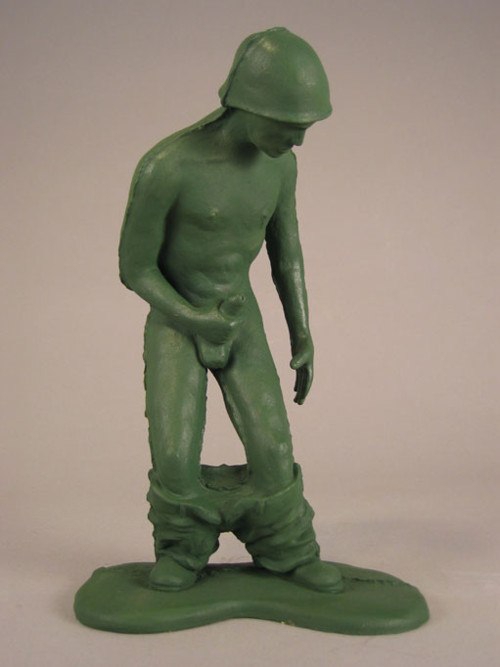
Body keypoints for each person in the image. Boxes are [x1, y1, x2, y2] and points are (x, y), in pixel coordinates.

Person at [119, 27, 342, 593]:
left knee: (273, 448)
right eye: (290, 127)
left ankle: (287, 549)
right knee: (174, 452)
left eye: (305, 129)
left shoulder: (280, 167)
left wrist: (302, 333)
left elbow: (287, 253)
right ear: (251, 105)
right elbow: (135, 268)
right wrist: (193, 319)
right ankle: (182, 550)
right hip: (177, 319)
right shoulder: (168, 166)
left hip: (240, 319)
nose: (299, 141)